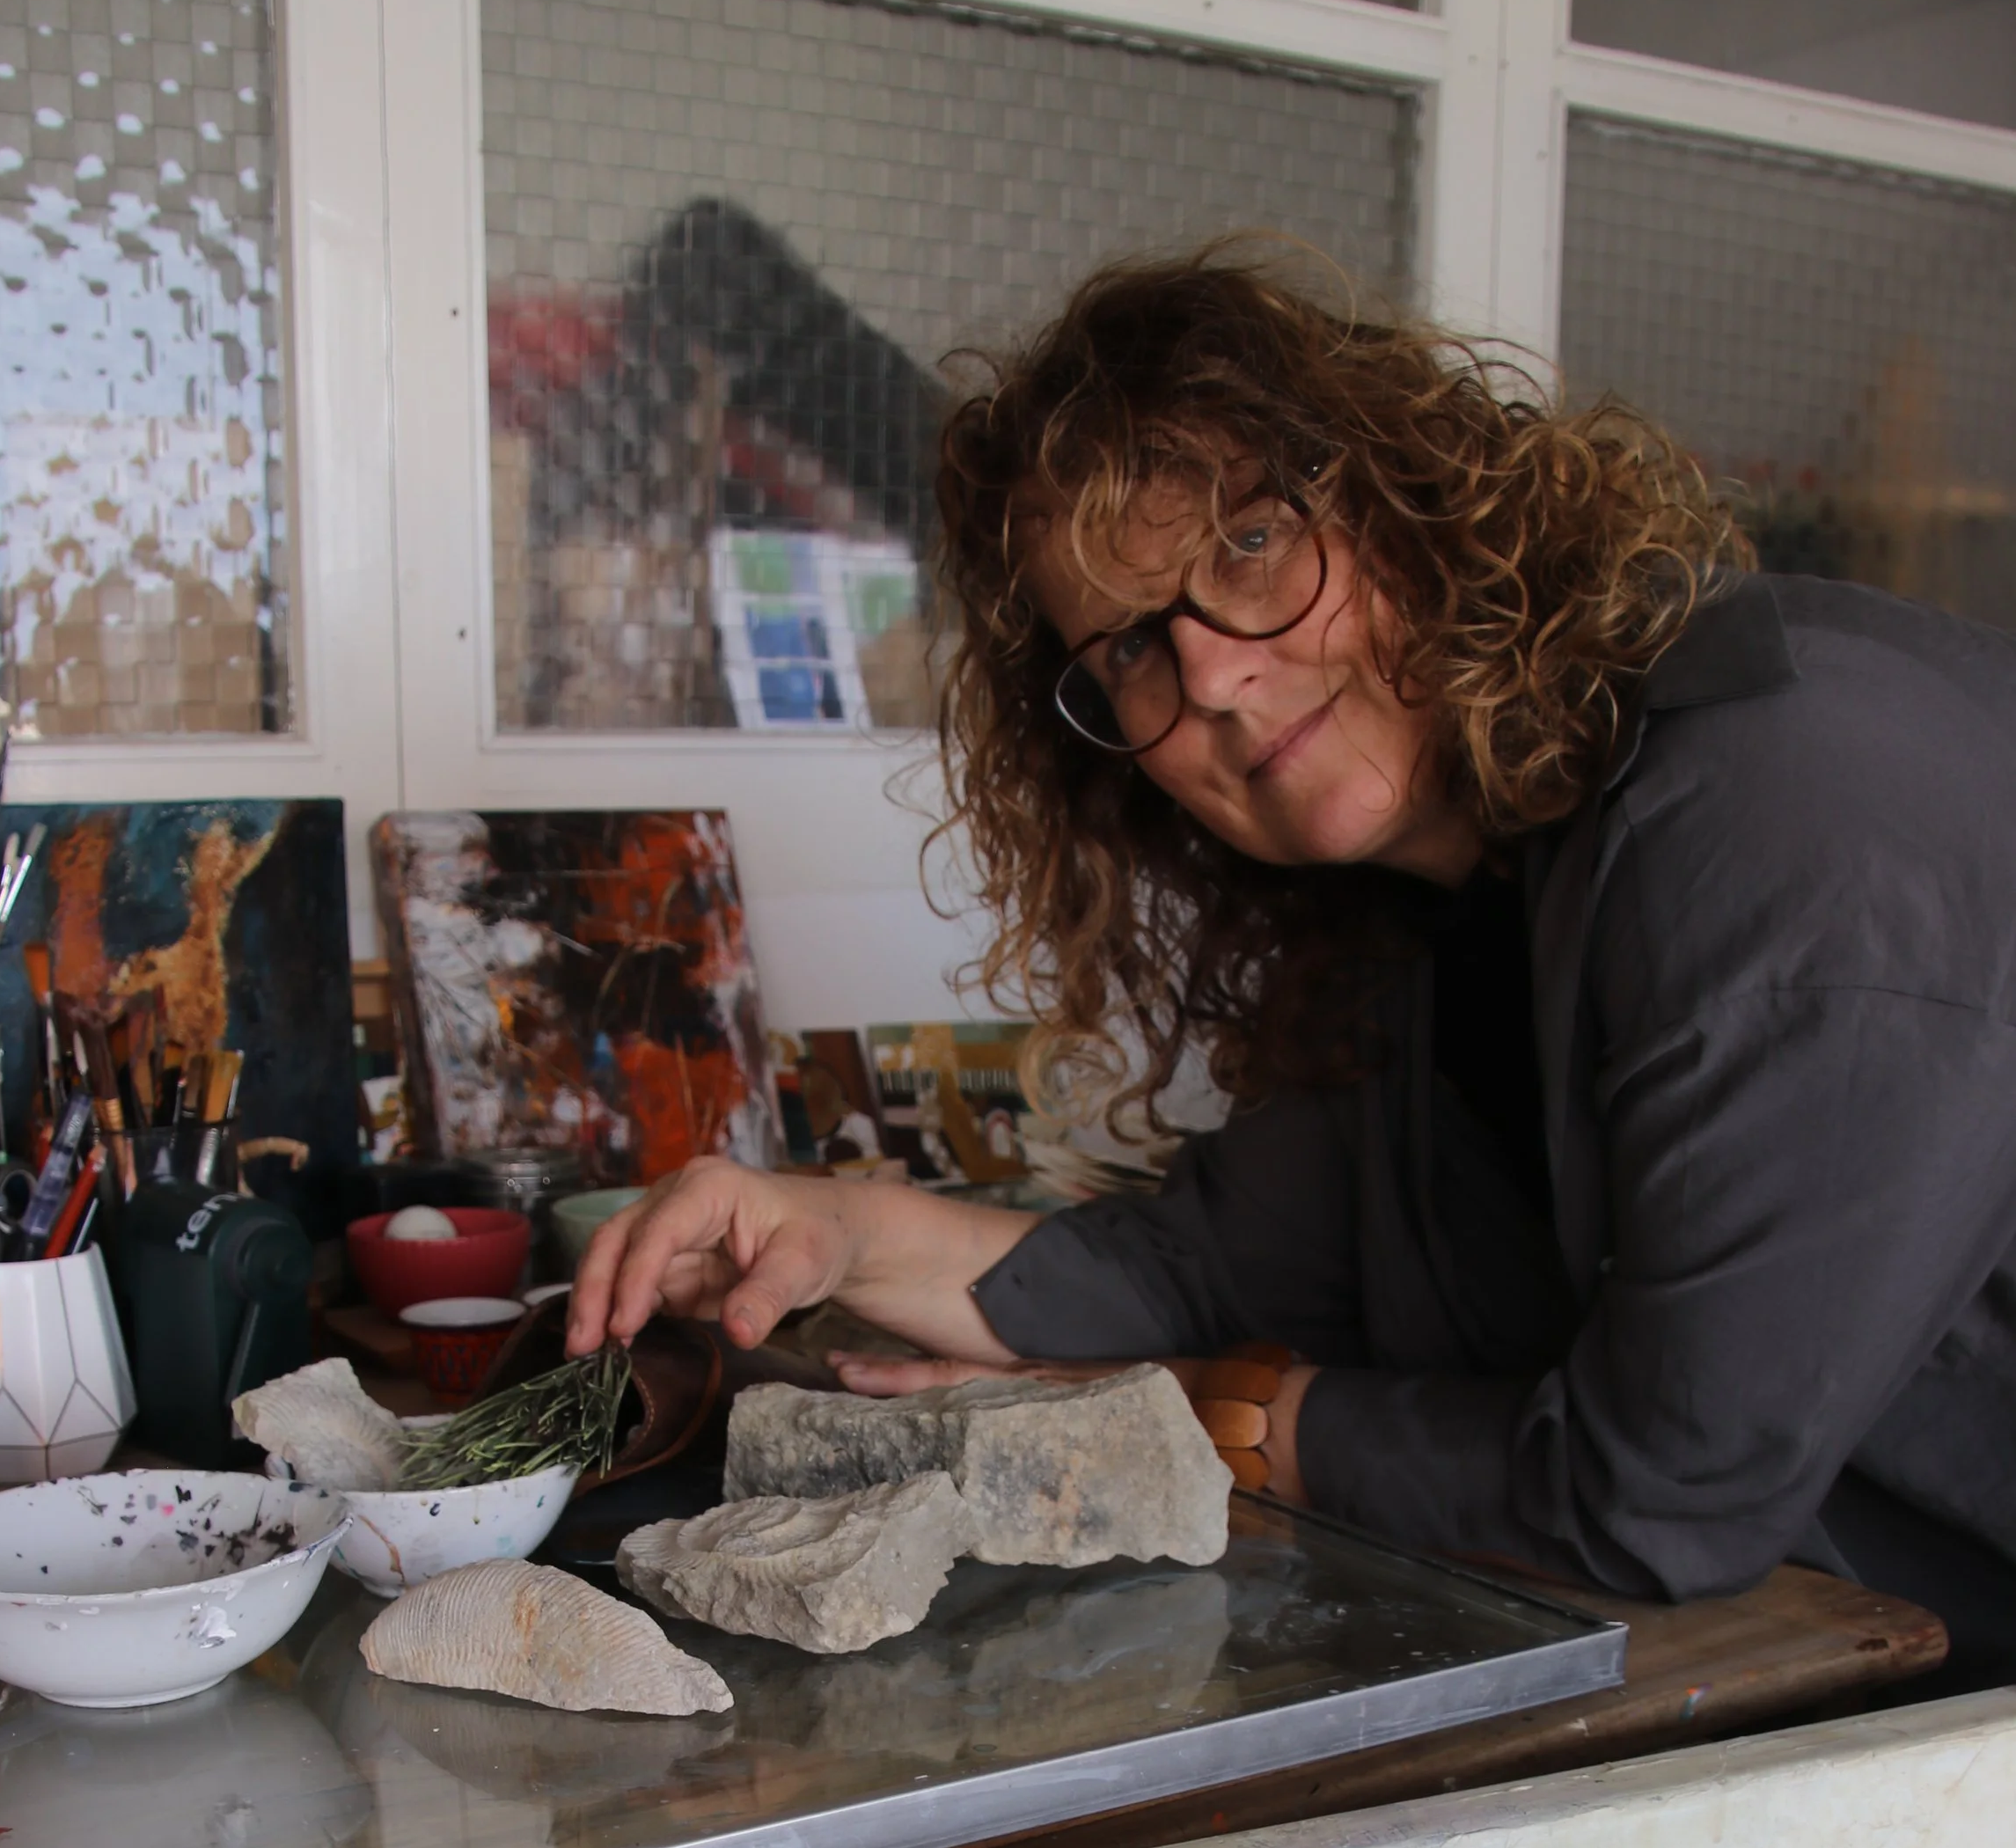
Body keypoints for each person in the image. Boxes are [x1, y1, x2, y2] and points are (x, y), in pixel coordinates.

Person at [569, 246, 2016, 1675]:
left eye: (1249, 545)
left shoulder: (1789, 817)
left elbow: (1660, 1496)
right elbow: (1205, 1269)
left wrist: (1240, 1415)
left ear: (1417, 502)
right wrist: (831, 1229)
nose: (1207, 673)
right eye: (1129, 647)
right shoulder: (1441, 905)